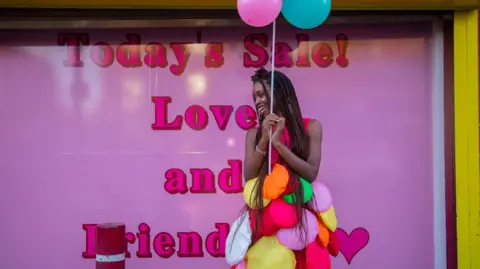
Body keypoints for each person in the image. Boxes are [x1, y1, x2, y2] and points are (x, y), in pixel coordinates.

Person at [241, 67, 324, 268]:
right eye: (255, 96)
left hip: (299, 216)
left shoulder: (311, 127)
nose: (258, 101)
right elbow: (249, 177)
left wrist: (279, 145)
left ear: (279, 92)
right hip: (265, 218)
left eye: (261, 94)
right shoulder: (254, 133)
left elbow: (311, 172)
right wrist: (265, 140)